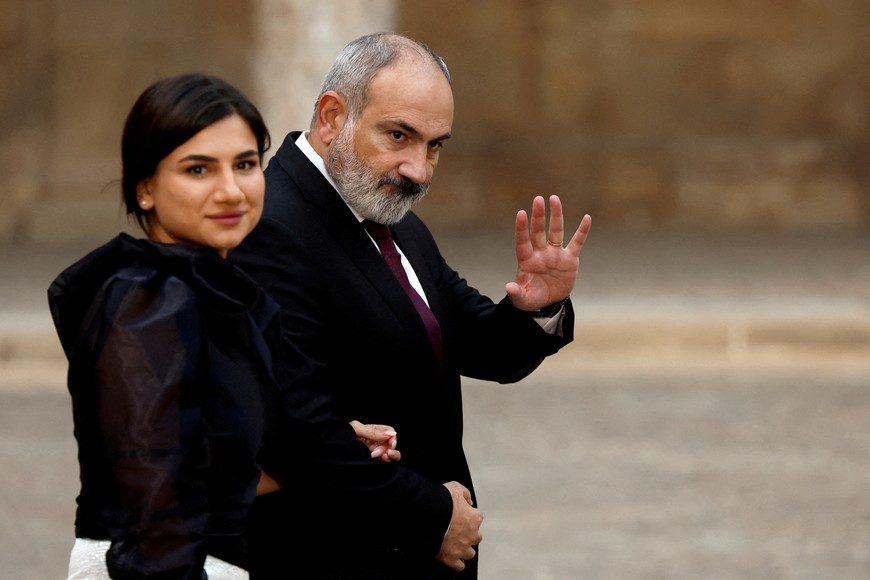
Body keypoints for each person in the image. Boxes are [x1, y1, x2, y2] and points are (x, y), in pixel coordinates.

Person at [229, 32, 592, 579]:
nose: (418, 170)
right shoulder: (270, 226)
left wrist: (538, 308)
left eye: (435, 145)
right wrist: (433, 519)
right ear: (332, 117)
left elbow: (478, 345)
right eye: (398, 135)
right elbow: (302, 432)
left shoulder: (389, 214)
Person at [47, 73, 401, 580]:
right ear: (145, 188)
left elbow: (207, 467)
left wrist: (335, 446)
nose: (230, 190)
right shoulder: (151, 300)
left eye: (245, 164)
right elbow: (153, 507)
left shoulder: (215, 289)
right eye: (198, 170)